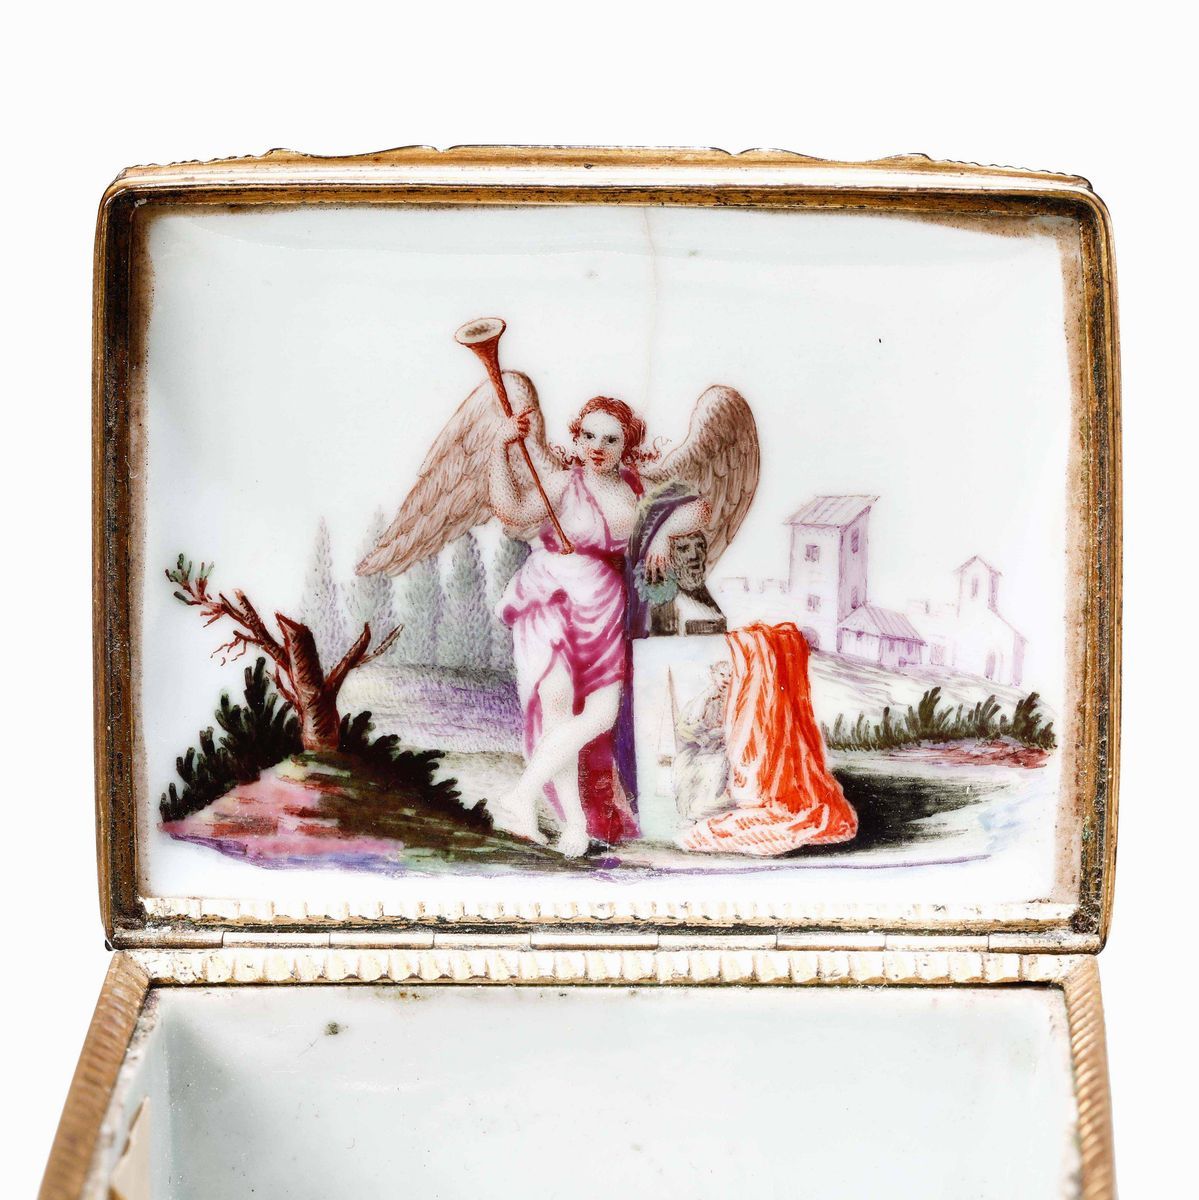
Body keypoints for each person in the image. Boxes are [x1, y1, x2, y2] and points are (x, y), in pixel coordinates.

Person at [490, 396, 708, 856]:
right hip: (551, 597)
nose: (596, 447)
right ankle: (572, 825)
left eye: (610, 439)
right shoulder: (562, 483)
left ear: (627, 446)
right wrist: (500, 448)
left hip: (604, 608)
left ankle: (520, 795)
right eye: (588, 435)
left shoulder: (637, 490)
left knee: (602, 715)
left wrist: (661, 533)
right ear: (576, 437)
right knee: (557, 712)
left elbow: (699, 509)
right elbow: (511, 514)